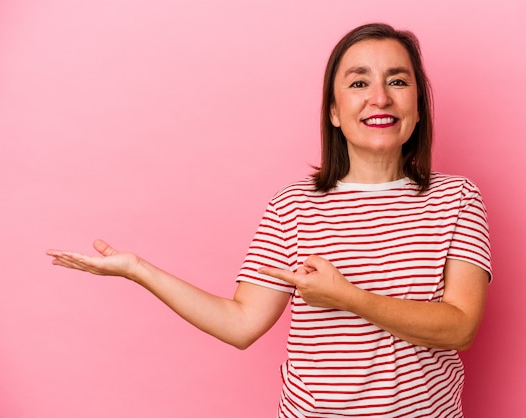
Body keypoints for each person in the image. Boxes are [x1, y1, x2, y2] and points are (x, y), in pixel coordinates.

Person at [47, 23, 491, 417]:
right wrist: (138, 270)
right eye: (358, 82)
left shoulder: (456, 198)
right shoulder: (292, 206)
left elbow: (460, 328)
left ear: (417, 109)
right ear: (334, 112)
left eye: (397, 81)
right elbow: (241, 325)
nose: (380, 97)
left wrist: (348, 297)